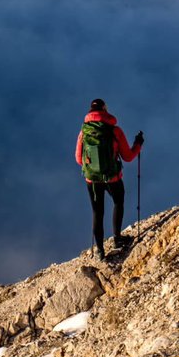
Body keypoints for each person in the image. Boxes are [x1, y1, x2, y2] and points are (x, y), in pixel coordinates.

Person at [75, 98, 143, 258]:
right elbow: (127, 156)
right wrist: (138, 144)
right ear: (105, 110)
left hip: (92, 180)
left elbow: (79, 159)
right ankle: (117, 239)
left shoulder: (83, 132)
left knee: (97, 212)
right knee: (118, 202)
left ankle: (99, 250)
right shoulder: (115, 131)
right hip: (112, 177)